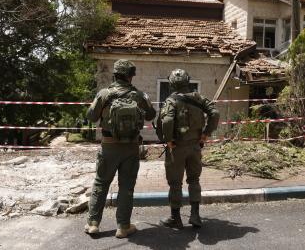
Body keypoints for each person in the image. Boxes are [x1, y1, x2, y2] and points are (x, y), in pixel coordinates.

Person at [85, 59, 156, 238]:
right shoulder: (139, 95)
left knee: (101, 182)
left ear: (115, 74)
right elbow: (151, 115)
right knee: (127, 187)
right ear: (131, 76)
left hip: (108, 146)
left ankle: (93, 224)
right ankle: (123, 227)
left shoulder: (104, 94)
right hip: (131, 148)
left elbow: (91, 117)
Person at [157, 69, 219, 229]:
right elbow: (215, 113)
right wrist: (205, 134)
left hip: (177, 147)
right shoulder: (198, 97)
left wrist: (169, 140)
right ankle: (195, 215)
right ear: (188, 81)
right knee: (194, 180)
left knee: (175, 183)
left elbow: (167, 121)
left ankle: (175, 218)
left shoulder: (171, 100)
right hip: (195, 146)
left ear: (171, 84)